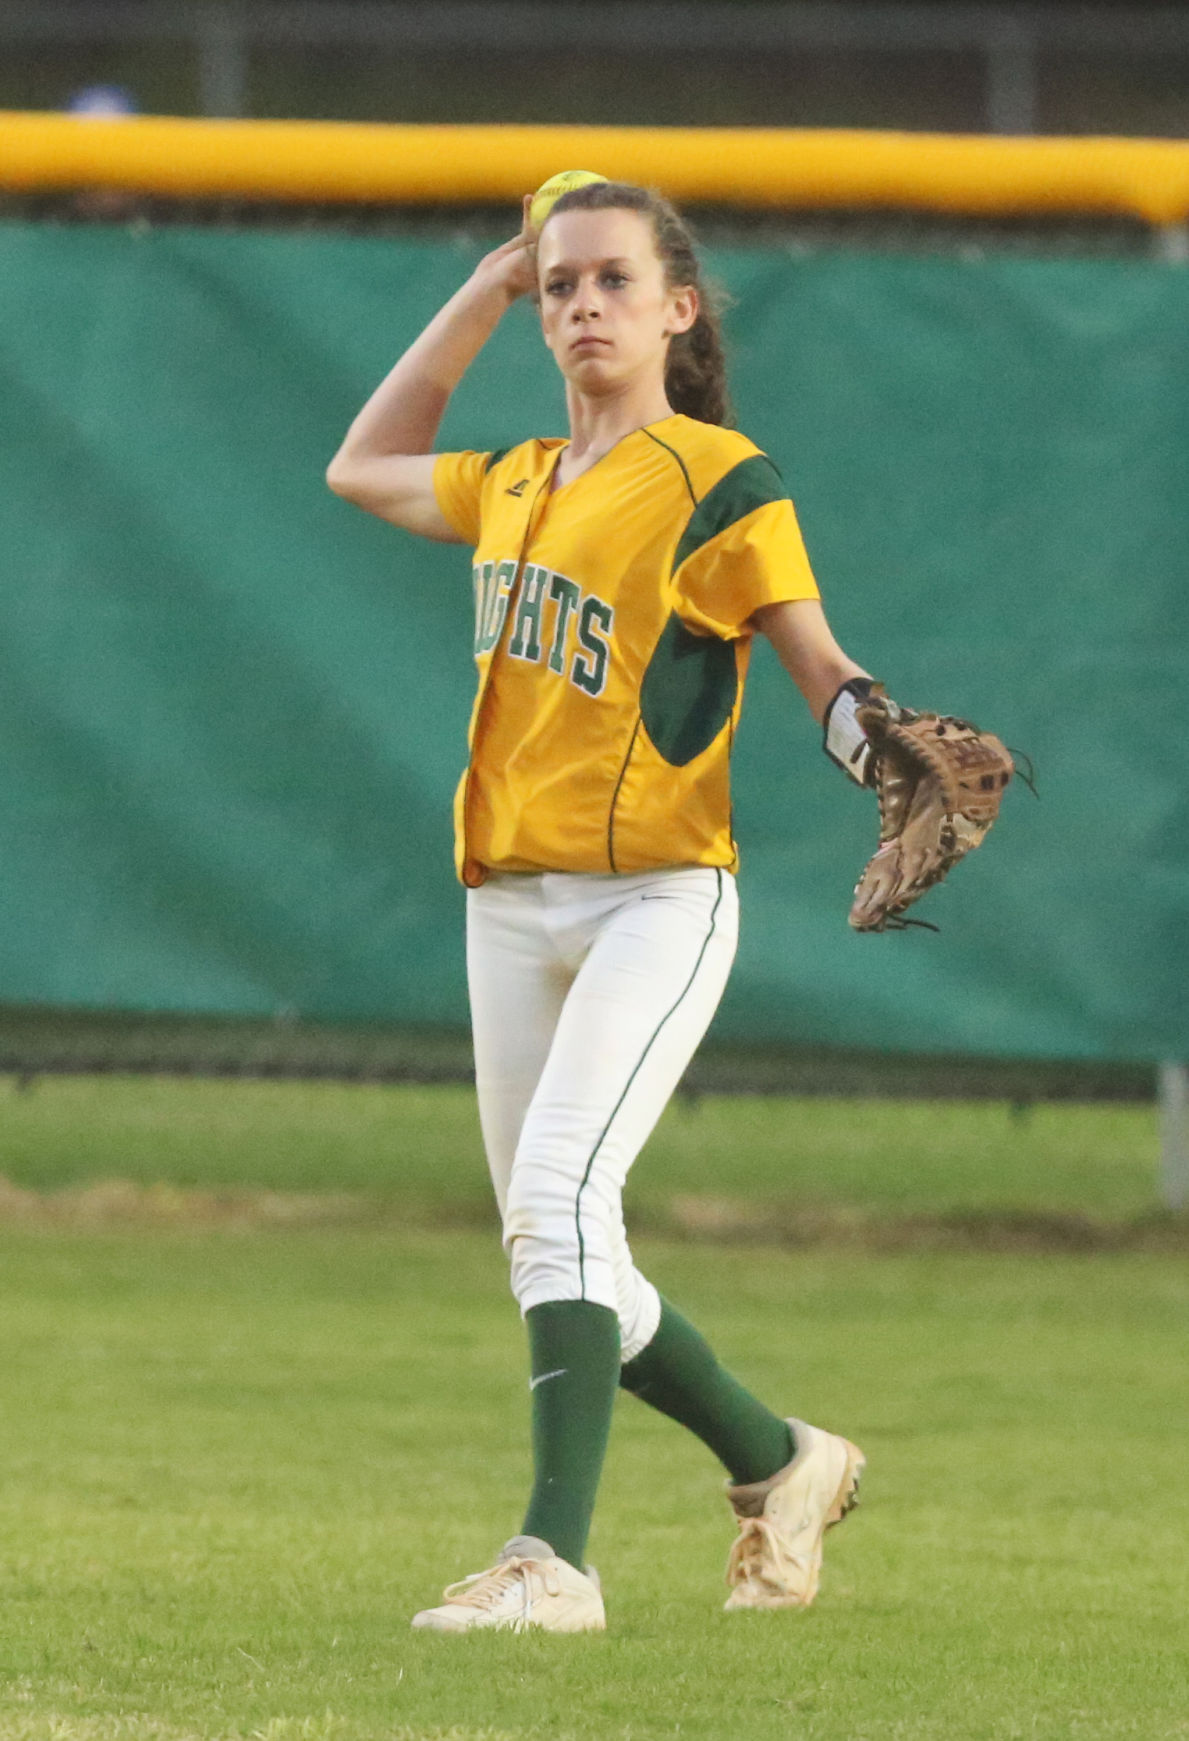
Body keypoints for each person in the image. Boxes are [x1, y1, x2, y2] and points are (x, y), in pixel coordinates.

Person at [327, 180, 876, 1634]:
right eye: (561, 285)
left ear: (675, 309)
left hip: (656, 896)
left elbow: (812, 658)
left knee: (564, 1202)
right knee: (557, 1240)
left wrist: (878, 739)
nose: (581, 304)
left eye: (611, 282)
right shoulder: (512, 478)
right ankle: (782, 1462)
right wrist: (486, 283)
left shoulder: (718, 476)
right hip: (509, 900)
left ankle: (549, 1561)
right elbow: (359, 464)